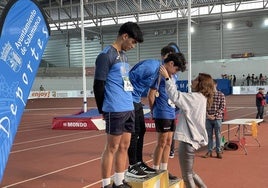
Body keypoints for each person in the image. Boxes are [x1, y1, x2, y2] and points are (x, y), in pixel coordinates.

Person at [93, 21, 144, 188]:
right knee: (112, 147)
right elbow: (98, 85)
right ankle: (106, 184)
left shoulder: (124, 56)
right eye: (133, 42)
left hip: (128, 106)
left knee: (125, 145)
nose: (133, 46)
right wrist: (102, 109)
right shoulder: (105, 55)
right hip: (114, 108)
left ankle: (119, 181)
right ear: (125, 36)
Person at [126, 44, 185, 178]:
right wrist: (125, 96)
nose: (176, 71)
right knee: (134, 134)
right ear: (169, 57)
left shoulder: (163, 72)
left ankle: (139, 162)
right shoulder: (151, 66)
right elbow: (128, 76)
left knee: (141, 130)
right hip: (129, 100)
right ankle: (132, 166)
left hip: (136, 101)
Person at [159, 67, 214, 188]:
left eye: (195, 79)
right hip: (192, 139)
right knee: (190, 172)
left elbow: (175, 96)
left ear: (200, 84)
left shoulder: (195, 97)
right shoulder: (201, 98)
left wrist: (167, 78)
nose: (193, 80)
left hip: (188, 140)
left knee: (186, 176)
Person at [148, 53, 186, 180]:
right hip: (162, 113)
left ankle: (164, 170)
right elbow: (151, 94)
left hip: (171, 112)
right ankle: (155, 169)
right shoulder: (159, 74)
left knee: (169, 142)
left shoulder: (172, 77)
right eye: (175, 69)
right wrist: (153, 111)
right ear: (170, 64)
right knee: (161, 142)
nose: (176, 72)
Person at [204, 79, 226, 159]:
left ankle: (218, 151)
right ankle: (209, 151)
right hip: (208, 118)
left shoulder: (221, 95)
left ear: (216, 84)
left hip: (217, 119)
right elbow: (204, 106)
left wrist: (215, 115)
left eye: (212, 84)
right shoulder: (207, 95)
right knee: (209, 136)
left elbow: (222, 107)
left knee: (218, 135)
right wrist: (208, 115)